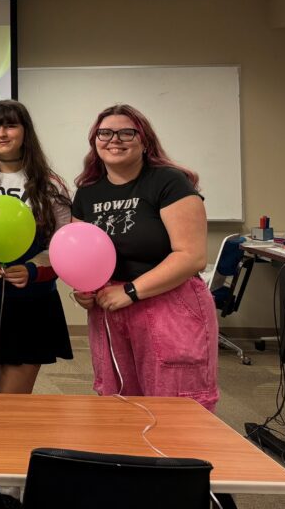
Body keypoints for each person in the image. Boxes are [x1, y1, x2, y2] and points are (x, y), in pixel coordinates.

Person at [0, 100, 72, 509]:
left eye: (10, 126)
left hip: (32, 302)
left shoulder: (49, 183)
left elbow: (65, 244)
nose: (1, 134)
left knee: (12, 405)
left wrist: (35, 270)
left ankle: (11, 489)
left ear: (25, 131)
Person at [71, 104, 217, 411]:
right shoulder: (87, 193)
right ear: (95, 142)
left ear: (144, 141)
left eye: (127, 132)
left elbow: (191, 256)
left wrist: (131, 292)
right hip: (111, 308)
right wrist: (84, 290)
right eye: (105, 133)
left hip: (168, 305)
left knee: (177, 406)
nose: (115, 139)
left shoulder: (169, 182)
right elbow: (79, 254)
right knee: (118, 402)